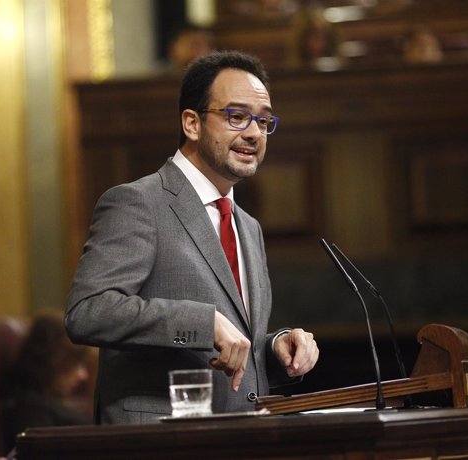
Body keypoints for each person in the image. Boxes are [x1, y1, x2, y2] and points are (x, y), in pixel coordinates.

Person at [65, 50, 319, 424]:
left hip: (239, 438)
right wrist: (203, 323)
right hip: (159, 441)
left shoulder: (248, 226)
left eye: (263, 122)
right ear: (192, 123)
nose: (253, 133)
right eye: (236, 116)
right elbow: (88, 312)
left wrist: (276, 348)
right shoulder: (138, 202)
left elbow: (231, 348)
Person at [2, 311, 93, 452]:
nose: (83, 375)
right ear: (52, 360)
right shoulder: (32, 412)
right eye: (75, 363)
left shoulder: (51, 403)